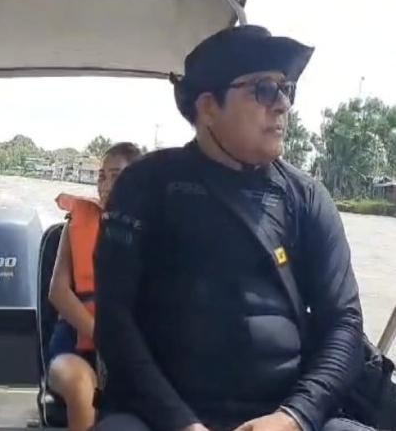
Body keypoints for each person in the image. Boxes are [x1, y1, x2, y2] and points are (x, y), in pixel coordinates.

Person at [93, 26, 371, 431]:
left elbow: (344, 325)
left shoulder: (306, 198)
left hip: (282, 416)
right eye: (264, 90)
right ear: (208, 107)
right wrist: (181, 423)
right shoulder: (145, 186)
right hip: (159, 418)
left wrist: (295, 416)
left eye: (286, 89)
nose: (282, 105)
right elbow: (114, 321)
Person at [47, 142, 142, 431]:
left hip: (132, 345)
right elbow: (58, 292)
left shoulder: (154, 230)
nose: (104, 184)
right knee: (81, 386)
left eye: (115, 176)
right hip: (75, 343)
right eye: (101, 176)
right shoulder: (75, 225)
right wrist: (103, 336)